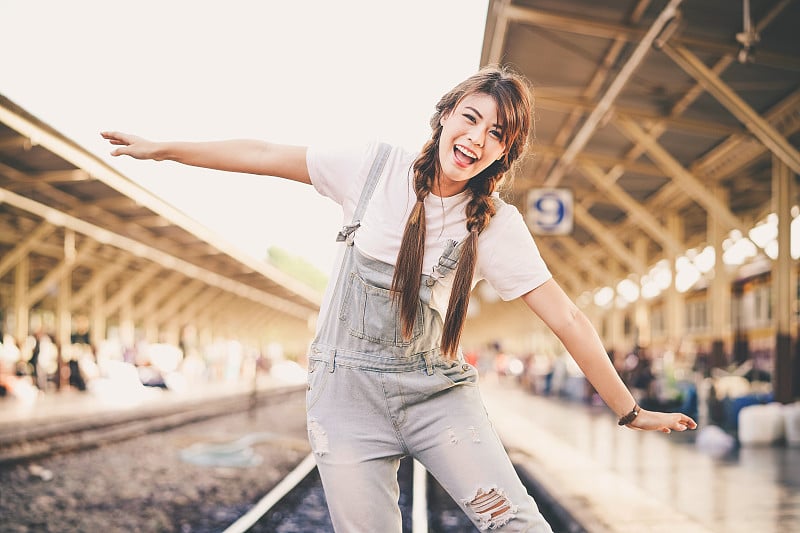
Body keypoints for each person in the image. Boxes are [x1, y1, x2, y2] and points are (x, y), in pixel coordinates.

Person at [102, 65, 697, 533]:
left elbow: (566, 316)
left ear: (503, 155)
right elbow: (262, 155)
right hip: (345, 401)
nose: (476, 139)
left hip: (436, 399)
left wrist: (630, 411)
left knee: (517, 523)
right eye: (470, 118)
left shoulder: (492, 223)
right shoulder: (367, 168)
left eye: (497, 135)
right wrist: (165, 149)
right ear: (443, 116)